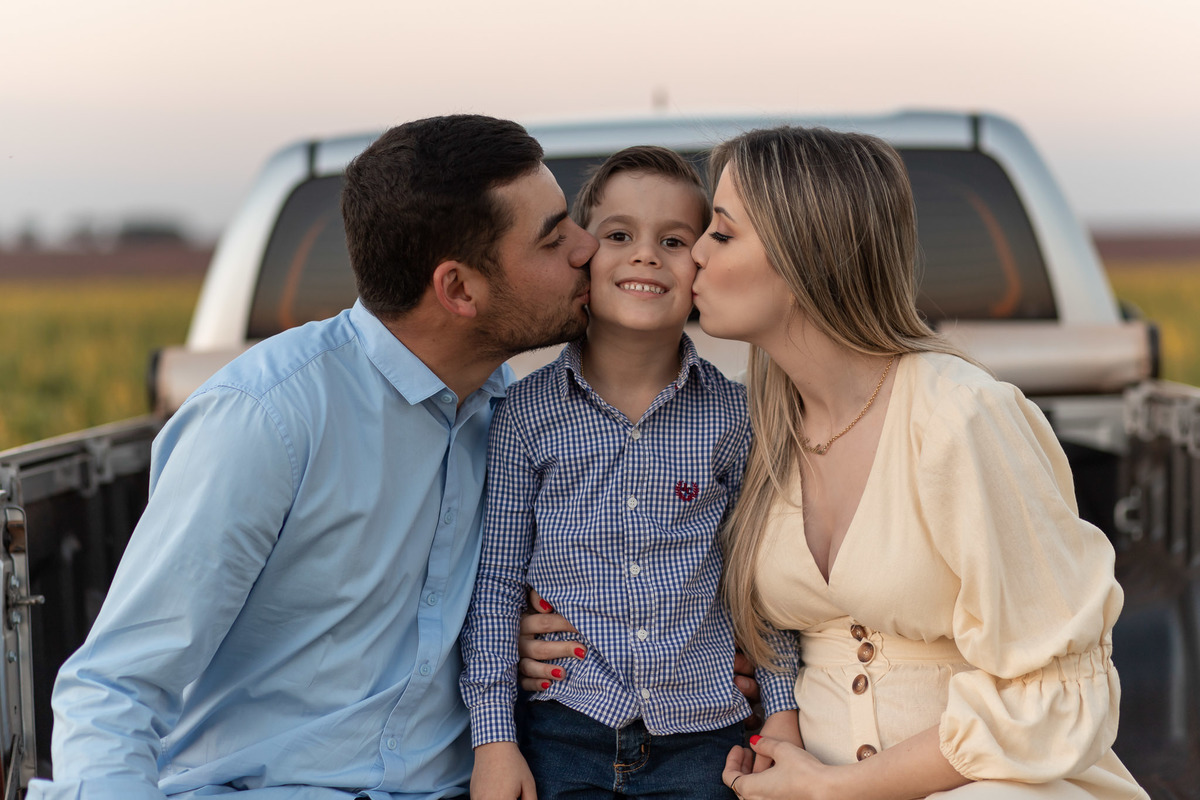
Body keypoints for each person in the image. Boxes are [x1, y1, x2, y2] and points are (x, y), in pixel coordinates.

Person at [28, 114, 600, 800]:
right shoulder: (266, 418)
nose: (588, 247)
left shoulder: (525, 419)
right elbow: (115, 687)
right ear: (457, 290)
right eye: (553, 237)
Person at [690, 126, 1148, 800]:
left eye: (722, 233)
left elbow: (1055, 685)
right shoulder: (753, 428)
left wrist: (838, 789)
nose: (694, 252)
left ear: (804, 256)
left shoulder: (960, 416)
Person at [458, 147, 800, 800]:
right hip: (564, 727)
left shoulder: (736, 417)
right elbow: (497, 585)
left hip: (705, 735)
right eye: (619, 235)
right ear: (583, 255)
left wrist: (780, 708)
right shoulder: (525, 416)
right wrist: (495, 740)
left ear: (701, 266)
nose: (646, 256)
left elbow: (760, 579)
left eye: (673, 241)